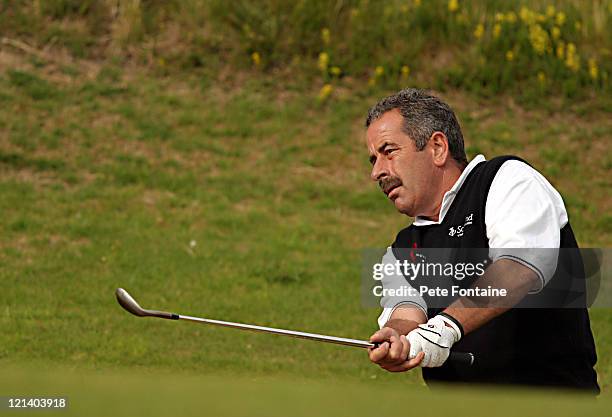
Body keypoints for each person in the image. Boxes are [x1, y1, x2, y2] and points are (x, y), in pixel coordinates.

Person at [365, 88, 599, 393]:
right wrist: (397, 338)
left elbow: (520, 268)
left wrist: (444, 328)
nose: (377, 172)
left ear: (437, 147)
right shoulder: (401, 251)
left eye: (389, 151)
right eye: (373, 159)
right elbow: (407, 312)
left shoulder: (507, 181)